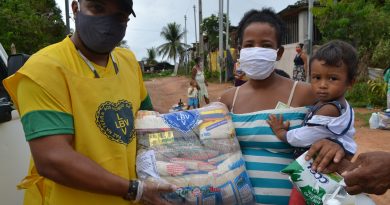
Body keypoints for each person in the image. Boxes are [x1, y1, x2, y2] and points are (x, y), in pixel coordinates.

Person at [3, 0, 175, 204]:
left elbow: (146, 117)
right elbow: (52, 159)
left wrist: (185, 122)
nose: (107, 22)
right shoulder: (44, 69)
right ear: (75, 9)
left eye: (119, 16)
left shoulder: (127, 61)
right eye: (98, 8)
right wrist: (135, 190)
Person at [219, 8, 346, 205]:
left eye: (266, 45)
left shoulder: (306, 93)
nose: (257, 50)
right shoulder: (228, 99)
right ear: (240, 51)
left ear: (278, 53)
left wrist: (335, 144)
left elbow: (343, 126)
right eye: (249, 45)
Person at [268, 40, 358, 159]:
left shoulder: (329, 109)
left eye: (332, 78)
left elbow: (303, 138)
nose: (322, 85)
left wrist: (282, 133)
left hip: (317, 166)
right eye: (317, 77)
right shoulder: (341, 105)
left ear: (350, 82)